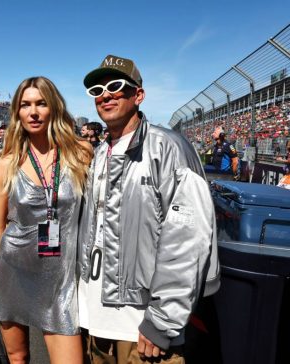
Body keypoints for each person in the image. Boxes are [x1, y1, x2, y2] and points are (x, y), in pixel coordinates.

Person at [78, 54, 218, 364]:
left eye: (115, 85)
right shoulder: (100, 152)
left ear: (138, 94)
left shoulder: (169, 147)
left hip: (143, 327)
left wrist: (162, 320)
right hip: (98, 319)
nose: (105, 95)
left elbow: (188, 237)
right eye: (97, 90)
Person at [0, 77, 92, 364]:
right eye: (25, 105)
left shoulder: (81, 154)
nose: (34, 112)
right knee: (18, 359)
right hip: (12, 273)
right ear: (17, 113)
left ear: (54, 108)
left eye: (41, 103)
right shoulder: (7, 163)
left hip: (61, 281)